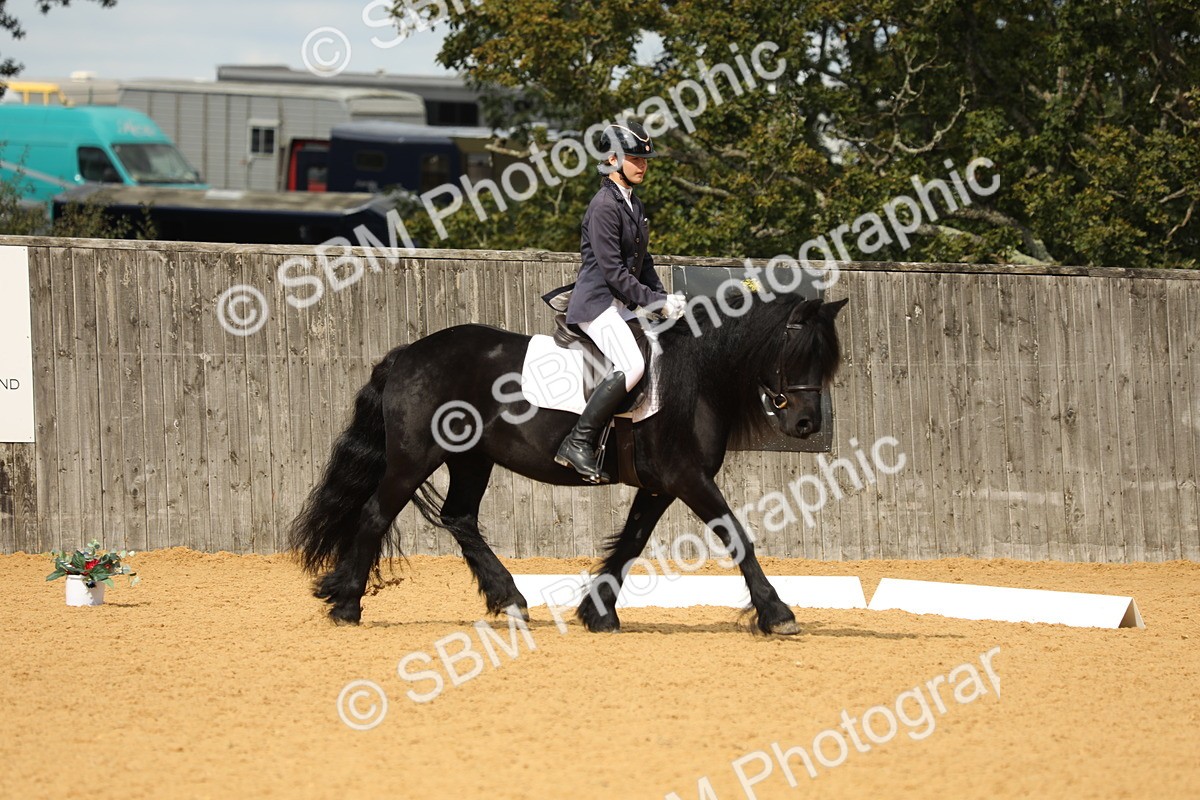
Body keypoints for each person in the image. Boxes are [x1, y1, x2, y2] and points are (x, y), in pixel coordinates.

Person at [554, 120, 686, 482]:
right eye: (634, 159)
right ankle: (578, 442)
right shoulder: (603, 207)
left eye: (645, 160)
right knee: (632, 366)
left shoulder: (633, 203)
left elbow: (645, 264)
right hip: (597, 305)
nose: (642, 166)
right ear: (612, 159)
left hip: (623, 305)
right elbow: (614, 273)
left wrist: (663, 298)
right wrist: (655, 303)